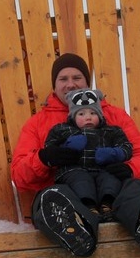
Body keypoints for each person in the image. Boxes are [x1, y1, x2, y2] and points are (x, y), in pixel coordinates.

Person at [11, 53, 140, 257]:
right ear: (54, 85)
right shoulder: (38, 123)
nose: (70, 84)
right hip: (68, 191)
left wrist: (129, 168)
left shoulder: (114, 116)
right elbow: (19, 176)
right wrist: (44, 158)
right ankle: (75, 227)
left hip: (112, 191)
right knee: (50, 197)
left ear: (87, 82)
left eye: (77, 78)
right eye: (63, 79)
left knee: (132, 187)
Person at [44, 87, 133, 221]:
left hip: (103, 169)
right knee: (80, 180)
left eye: (93, 113)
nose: (88, 117)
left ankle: (107, 205)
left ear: (100, 115)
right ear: (73, 117)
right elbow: (49, 147)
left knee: (111, 178)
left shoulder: (111, 131)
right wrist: (65, 146)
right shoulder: (62, 130)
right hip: (74, 169)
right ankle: (88, 207)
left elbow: (127, 147)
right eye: (81, 114)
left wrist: (114, 153)